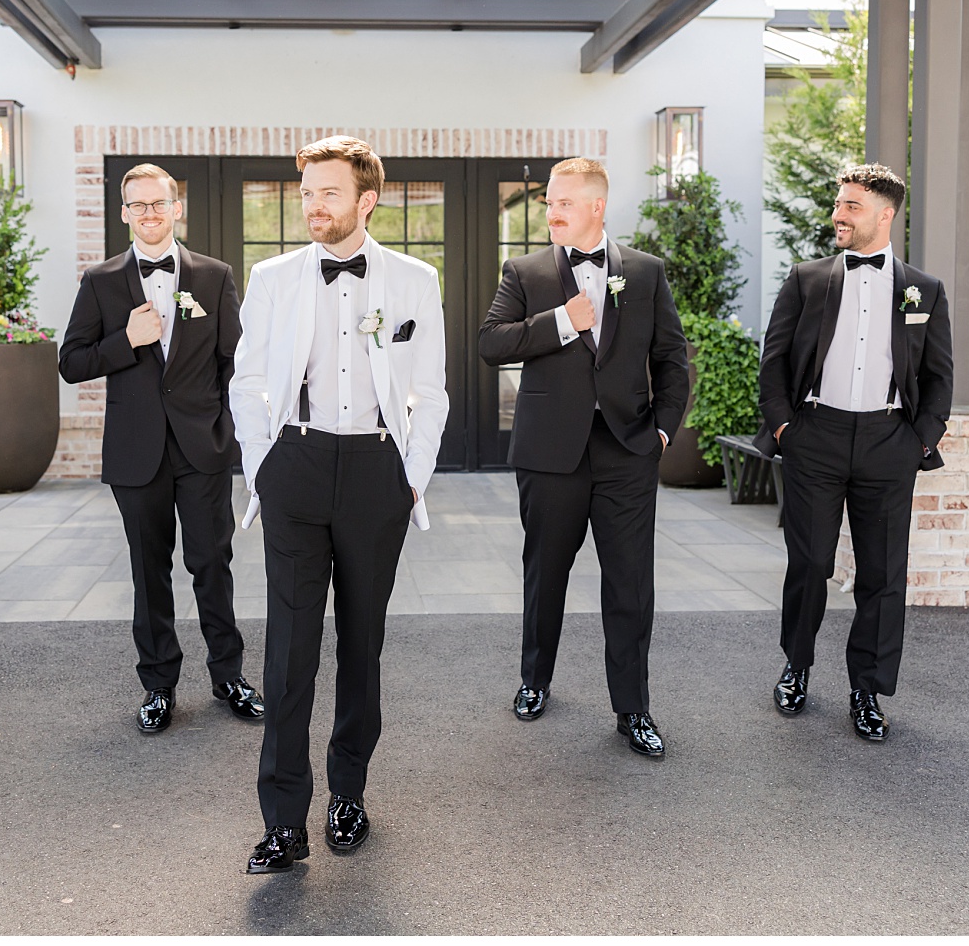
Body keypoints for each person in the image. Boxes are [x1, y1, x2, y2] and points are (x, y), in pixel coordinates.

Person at [230, 136, 447, 873]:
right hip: (295, 463)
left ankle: (347, 794)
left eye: (328, 192)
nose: (313, 206)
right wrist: (263, 467)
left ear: (366, 200)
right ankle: (283, 822)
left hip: (376, 472)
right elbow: (246, 378)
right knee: (290, 655)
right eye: (307, 193)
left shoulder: (415, 279)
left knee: (362, 647)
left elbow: (435, 389)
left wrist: (411, 475)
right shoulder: (272, 277)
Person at [479, 157, 688, 757]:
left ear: (596, 207)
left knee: (630, 583)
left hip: (628, 451)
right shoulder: (524, 271)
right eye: (549, 202)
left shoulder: (645, 273)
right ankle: (534, 681)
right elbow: (491, 342)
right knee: (546, 574)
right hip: (550, 452)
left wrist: (664, 435)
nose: (551, 212)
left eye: (563, 203)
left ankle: (633, 709)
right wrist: (560, 324)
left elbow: (673, 359)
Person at [58, 163, 263, 733]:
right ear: (124, 214)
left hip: (203, 448)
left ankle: (228, 677)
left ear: (178, 209)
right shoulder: (100, 281)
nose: (149, 213)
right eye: (138, 205)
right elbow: (71, 362)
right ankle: (158, 685)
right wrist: (126, 341)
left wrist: (231, 431)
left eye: (159, 203)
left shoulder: (215, 275)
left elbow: (235, 364)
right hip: (136, 453)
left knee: (211, 566)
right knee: (149, 572)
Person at [753, 163, 953, 742]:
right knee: (810, 564)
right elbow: (774, 362)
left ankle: (867, 690)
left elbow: (938, 375)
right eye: (839, 204)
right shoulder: (807, 278)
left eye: (852, 206)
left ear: (885, 215)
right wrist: (786, 428)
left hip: (889, 443)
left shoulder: (924, 290)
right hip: (815, 436)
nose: (838, 214)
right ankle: (797, 666)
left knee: (883, 575)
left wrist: (921, 439)